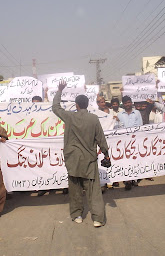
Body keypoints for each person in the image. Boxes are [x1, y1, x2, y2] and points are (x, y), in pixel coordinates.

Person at [52, 81, 110, 227]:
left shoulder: (70, 117)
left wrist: (60, 91)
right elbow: (100, 138)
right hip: (89, 160)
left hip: (73, 159)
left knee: (75, 189)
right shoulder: (94, 119)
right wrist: (106, 154)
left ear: (77, 105)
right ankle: (97, 218)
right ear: (87, 104)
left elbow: (55, 107)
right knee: (93, 190)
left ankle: (77, 214)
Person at [117, 96, 143, 190]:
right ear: (123, 104)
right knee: (125, 161)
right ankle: (127, 180)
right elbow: (118, 128)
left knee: (135, 160)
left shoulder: (137, 113)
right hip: (124, 142)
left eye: (129, 102)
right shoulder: (120, 115)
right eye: (126, 103)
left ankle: (134, 179)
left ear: (131, 102)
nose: (128, 104)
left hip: (135, 140)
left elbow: (140, 126)